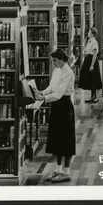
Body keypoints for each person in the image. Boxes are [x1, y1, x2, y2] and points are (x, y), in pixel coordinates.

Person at [34, 49, 76, 183]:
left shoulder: (68, 73)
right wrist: (41, 92)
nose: (53, 63)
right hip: (56, 107)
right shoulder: (57, 71)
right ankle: (58, 170)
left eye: (55, 60)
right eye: (53, 61)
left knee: (66, 138)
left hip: (64, 106)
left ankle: (67, 172)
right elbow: (51, 88)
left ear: (62, 59)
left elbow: (59, 94)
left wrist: (43, 98)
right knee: (57, 138)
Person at [78, 27, 102, 103]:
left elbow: (94, 55)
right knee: (90, 79)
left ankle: (94, 97)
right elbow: (86, 51)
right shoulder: (89, 41)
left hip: (92, 61)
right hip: (88, 60)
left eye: (89, 32)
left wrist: (92, 65)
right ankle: (93, 97)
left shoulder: (94, 42)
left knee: (93, 79)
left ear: (92, 34)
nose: (88, 33)